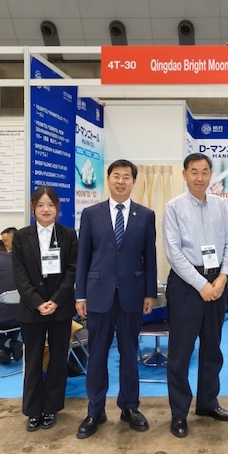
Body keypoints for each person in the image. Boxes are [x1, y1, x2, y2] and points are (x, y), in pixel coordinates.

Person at [75, 159, 157, 439]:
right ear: (108, 179)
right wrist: (80, 294)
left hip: (132, 295)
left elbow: (150, 256)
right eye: (116, 176)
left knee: (129, 354)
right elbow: (83, 256)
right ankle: (95, 410)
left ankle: (129, 407)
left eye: (126, 177)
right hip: (98, 294)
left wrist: (150, 292)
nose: (121, 181)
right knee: (97, 354)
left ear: (134, 182)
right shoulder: (91, 214)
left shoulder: (145, 215)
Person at [163, 153, 228, 439]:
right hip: (186, 285)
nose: (200, 177)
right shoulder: (174, 207)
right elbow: (173, 252)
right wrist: (200, 284)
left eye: (205, 172)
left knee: (212, 348)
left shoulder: (220, 205)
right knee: (180, 353)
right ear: (184, 174)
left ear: (211, 175)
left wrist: (222, 277)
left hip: (217, 281)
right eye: (194, 172)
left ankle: (208, 403)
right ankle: (179, 413)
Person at [12, 186, 78, 432]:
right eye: (40, 205)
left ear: (57, 209)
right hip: (32, 309)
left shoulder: (68, 234)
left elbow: (72, 270)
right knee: (33, 360)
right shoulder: (21, 236)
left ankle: (51, 407)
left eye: (50, 205)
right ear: (33, 209)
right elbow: (19, 275)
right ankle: (33, 410)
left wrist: (57, 300)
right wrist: (37, 302)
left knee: (58, 360)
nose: (46, 209)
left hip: (60, 308)